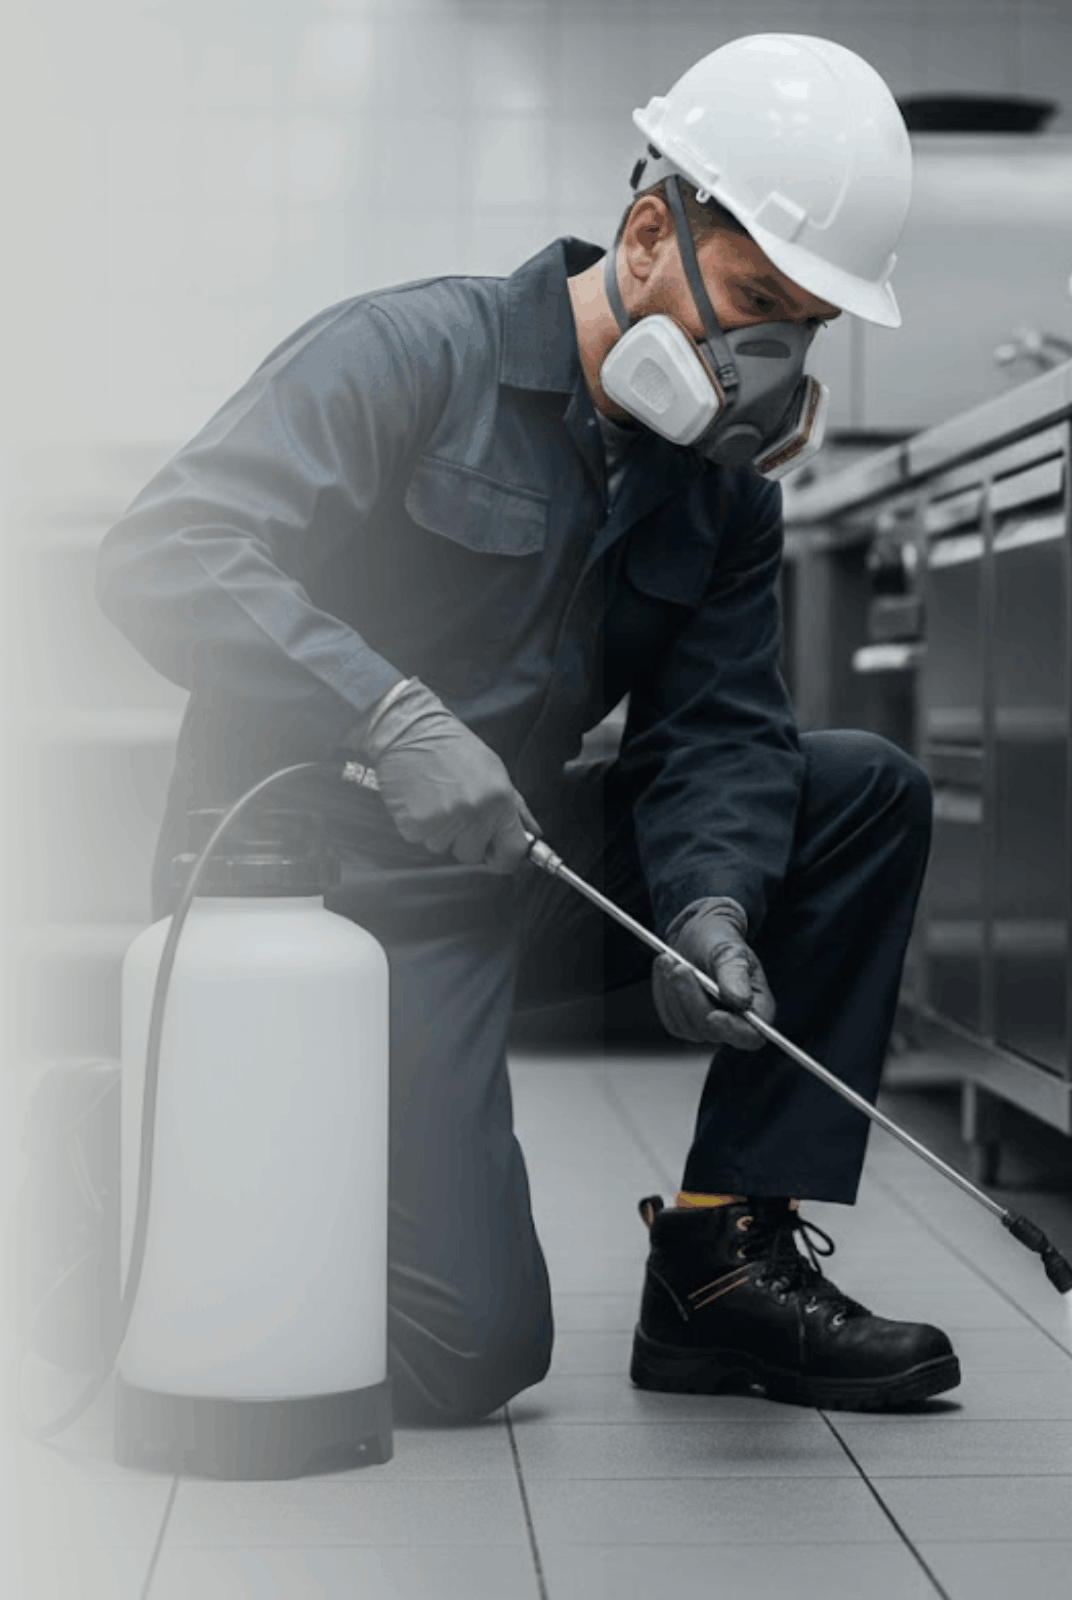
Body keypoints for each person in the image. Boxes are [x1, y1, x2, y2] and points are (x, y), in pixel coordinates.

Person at [97, 34, 959, 1424]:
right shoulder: (405, 357)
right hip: (315, 893)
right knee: (470, 1354)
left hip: (511, 873)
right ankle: (122, 1187)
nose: (763, 365)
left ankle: (723, 1266)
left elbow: (722, 732)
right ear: (642, 236)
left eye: (801, 328)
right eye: (749, 300)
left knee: (859, 791)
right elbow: (166, 551)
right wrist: (380, 708)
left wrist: (711, 908)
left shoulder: (719, 494)